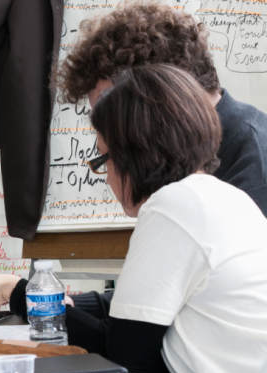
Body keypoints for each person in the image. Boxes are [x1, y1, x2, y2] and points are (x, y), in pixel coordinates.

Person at [0, 65, 267, 373]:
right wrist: (14, 290)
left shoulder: (174, 206)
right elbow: (131, 317)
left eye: (104, 159)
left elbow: (122, 358)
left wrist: (21, 293)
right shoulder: (223, 198)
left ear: (134, 154)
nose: (107, 177)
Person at [54, 0, 267, 330]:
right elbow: (160, 296)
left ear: (159, 90)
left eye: (112, 112)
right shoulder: (183, 168)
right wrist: (56, 302)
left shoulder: (253, 152)